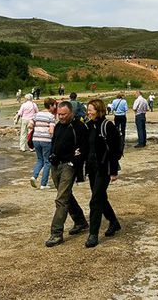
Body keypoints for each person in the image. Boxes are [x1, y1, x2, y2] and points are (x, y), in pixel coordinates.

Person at [45, 101, 89, 247]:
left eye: (64, 114)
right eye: (59, 114)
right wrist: (52, 155)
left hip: (69, 166)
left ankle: (56, 233)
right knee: (66, 195)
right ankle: (80, 221)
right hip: (56, 165)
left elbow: (83, 148)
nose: (61, 117)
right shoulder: (58, 126)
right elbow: (54, 143)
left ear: (71, 113)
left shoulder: (80, 127)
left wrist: (73, 162)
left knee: (61, 199)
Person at [84, 99, 122, 247]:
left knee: (95, 201)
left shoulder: (108, 126)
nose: (88, 112)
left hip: (104, 169)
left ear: (99, 110)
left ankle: (93, 235)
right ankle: (113, 222)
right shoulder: (88, 126)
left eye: (91, 110)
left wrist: (113, 172)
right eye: (88, 110)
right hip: (93, 168)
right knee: (100, 197)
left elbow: (113, 151)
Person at [29, 98, 57, 190]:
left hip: (36, 139)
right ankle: (43, 184)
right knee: (47, 162)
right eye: (54, 105)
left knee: (40, 159)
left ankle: (34, 176)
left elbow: (30, 125)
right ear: (50, 106)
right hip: (46, 140)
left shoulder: (36, 114)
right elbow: (51, 130)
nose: (55, 107)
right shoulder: (51, 116)